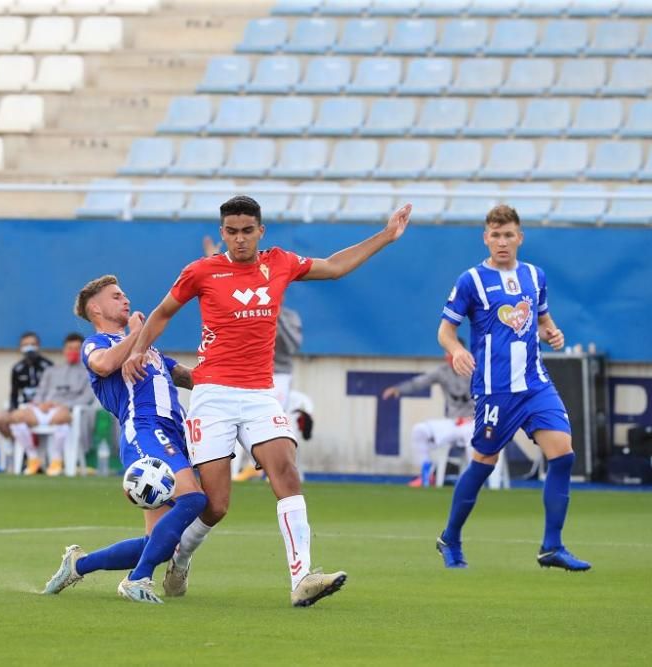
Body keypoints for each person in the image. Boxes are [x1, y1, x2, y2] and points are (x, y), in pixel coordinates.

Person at [123, 195, 412, 607]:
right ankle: (181, 558)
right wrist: (138, 350)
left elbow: (334, 266)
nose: (239, 239)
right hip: (213, 397)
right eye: (232, 232)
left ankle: (302, 578)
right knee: (216, 504)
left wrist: (385, 235)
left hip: (261, 394)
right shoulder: (202, 271)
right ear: (222, 233)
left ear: (261, 231)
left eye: (247, 231)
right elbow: (164, 311)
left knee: (287, 472)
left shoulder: (280, 263)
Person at [435, 205, 590, 572]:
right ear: (485, 238)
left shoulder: (535, 276)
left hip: (535, 384)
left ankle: (552, 546)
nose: (501, 242)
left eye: (508, 235)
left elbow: (541, 317)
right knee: (483, 463)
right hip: (495, 390)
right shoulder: (471, 280)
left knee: (563, 454)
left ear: (519, 238)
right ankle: (450, 538)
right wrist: (456, 350)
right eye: (495, 235)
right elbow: (446, 329)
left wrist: (551, 331)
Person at [42, 275, 205, 603]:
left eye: (124, 295)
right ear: (96, 308)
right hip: (144, 429)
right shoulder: (97, 344)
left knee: (158, 543)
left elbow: (188, 377)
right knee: (194, 500)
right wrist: (135, 334)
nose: (126, 300)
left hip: (174, 432)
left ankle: (79, 565)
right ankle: (138, 579)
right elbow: (103, 366)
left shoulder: (145, 347)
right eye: (116, 296)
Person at [204, 236, 304, 482]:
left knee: (275, 420)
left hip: (276, 374)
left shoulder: (288, 317)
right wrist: (210, 260)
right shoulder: (241, 303)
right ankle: (234, 471)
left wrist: (273, 314)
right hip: (241, 374)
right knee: (232, 422)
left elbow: (292, 345)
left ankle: (274, 471)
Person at [381, 340, 474, 488]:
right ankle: (427, 474)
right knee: (420, 430)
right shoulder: (443, 372)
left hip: (474, 422)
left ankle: (473, 480)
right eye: (446, 353)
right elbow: (420, 382)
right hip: (453, 422)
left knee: (473, 437)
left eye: (450, 353)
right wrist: (398, 389)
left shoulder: (477, 371)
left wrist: (476, 416)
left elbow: (491, 396)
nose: (447, 356)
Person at [7, 332, 93, 476]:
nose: (73, 352)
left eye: (77, 348)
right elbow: (40, 392)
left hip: (65, 411)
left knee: (61, 418)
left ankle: (56, 460)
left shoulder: (89, 373)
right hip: (44, 409)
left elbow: (87, 398)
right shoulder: (52, 370)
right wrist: (40, 404)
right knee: (16, 416)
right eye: (69, 348)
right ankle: (33, 459)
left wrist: (65, 405)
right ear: (64, 350)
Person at [0, 331, 53, 441]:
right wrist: (12, 409)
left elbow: (53, 391)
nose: (29, 348)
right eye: (25, 345)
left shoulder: (48, 366)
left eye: (32, 344)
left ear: (38, 346)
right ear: (20, 347)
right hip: (22, 407)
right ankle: (15, 442)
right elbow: (14, 394)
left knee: (20, 418)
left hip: (41, 409)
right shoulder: (17, 368)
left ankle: (29, 449)